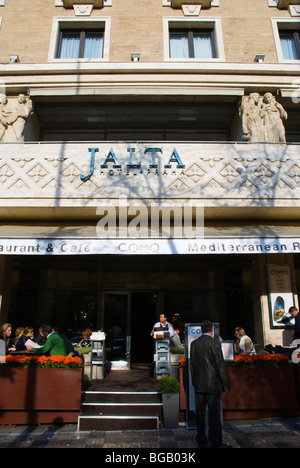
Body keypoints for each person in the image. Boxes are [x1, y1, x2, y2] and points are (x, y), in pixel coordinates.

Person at [190, 320, 230, 449]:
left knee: (200, 414)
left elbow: (192, 365)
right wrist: (225, 385)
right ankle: (215, 441)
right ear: (211, 330)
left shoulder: (194, 344)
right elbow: (220, 365)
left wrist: (194, 382)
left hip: (199, 385)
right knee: (214, 414)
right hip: (213, 384)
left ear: (201, 330)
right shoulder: (214, 344)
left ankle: (201, 438)